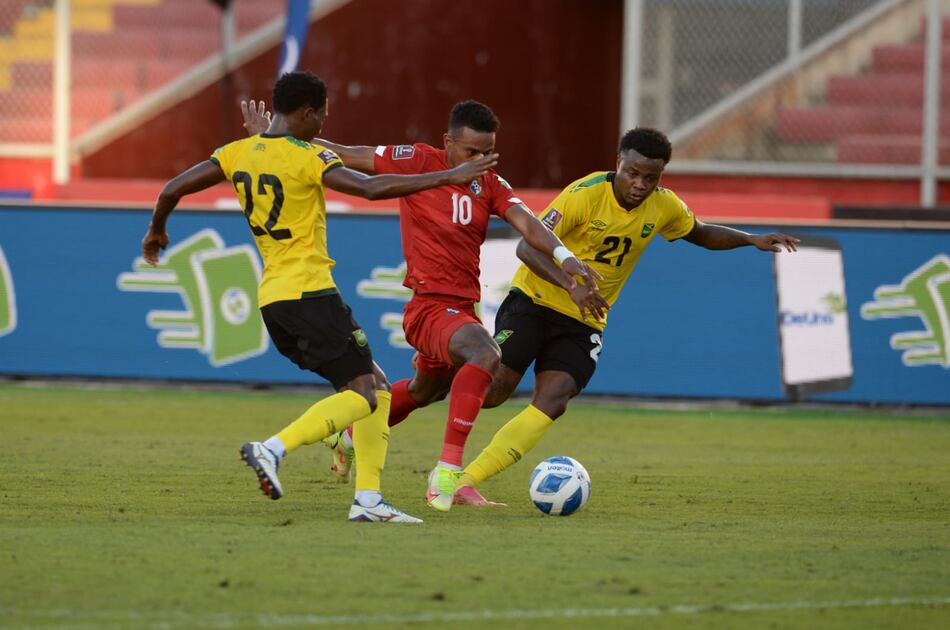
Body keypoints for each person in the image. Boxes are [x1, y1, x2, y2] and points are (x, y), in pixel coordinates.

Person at [332, 127, 801, 511]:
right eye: (633, 172)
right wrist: (570, 283)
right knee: (486, 392)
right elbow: (525, 246)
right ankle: (370, 422)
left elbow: (699, 232)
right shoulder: (584, 195)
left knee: (554, 398)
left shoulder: (664, 207)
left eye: (650, 177)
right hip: (534, 302)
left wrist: (751, 240)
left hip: (585, 321)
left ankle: (462, 480)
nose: (640, 184)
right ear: (618, 161)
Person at [141, 71, 498, 523]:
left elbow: (172, 188)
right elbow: (370, 187)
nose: (325, 124)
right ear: (308, 113)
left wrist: (157, 230)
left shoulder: (236, 153)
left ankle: (368, 500)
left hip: (274, 299)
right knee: (366, 394)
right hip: (311, 294)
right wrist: (450, 175)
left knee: (379, 389)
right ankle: (272, 448)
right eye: (323, 114)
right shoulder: (307, 157)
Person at [241, 98, 602, 512]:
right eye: (472, 152)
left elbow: (528, 224)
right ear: (448, 142)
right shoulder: (416, 160)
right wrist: (273, 140)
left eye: (489, 153)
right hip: (428, 307)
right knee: (485, 353)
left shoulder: (491, 185)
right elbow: (344, 153)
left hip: (461, 309)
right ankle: (446, 473)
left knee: (423, 391)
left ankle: (349, 435)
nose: (481, 161)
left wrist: (565, 258)